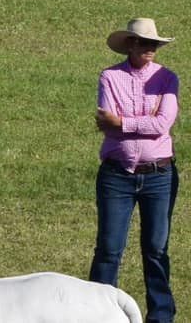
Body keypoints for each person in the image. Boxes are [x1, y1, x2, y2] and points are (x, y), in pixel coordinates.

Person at [91, 17, 180, 322]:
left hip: (159, 175)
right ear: (130, 44)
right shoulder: (110, 77)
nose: (150, 49)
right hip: (118, 174)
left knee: (156, 248)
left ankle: (161, 315)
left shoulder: (168, 79)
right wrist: (137, 123)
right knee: (109, 248)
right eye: (145, 43)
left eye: (154, 44)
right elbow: (107, 125)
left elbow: (162, 124)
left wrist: (124, 122)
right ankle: (96, 313)